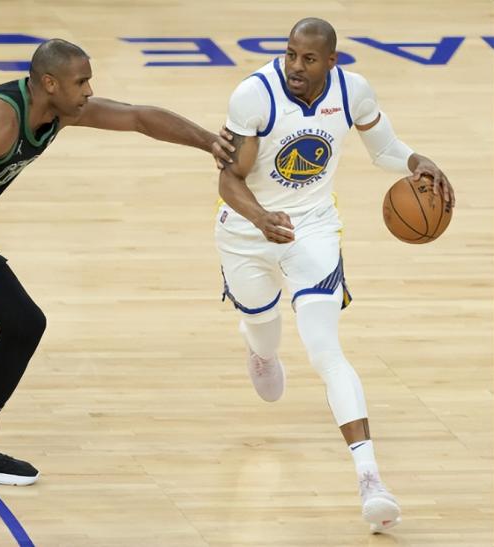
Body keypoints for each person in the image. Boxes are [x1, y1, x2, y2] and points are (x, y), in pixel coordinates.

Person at [0, 38, 232, 519]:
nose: (89, 91)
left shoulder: (57, 112)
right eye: (81, 81)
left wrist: (209, 142)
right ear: (49, 83)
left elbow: (138, 117)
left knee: (25, 323)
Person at [215, 17, 454, 533]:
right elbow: (229, 180)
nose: (295, 66)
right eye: (290, 55)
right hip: (246, 230)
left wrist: (417, 160)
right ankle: (260, 349)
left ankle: (371, 480)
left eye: (308, 59)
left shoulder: (352, 91)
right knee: (262, 327)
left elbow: (383, 149)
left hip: (314, 230)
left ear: (331, 61)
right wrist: (262, 218)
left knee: (326, 351)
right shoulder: (254, 95)